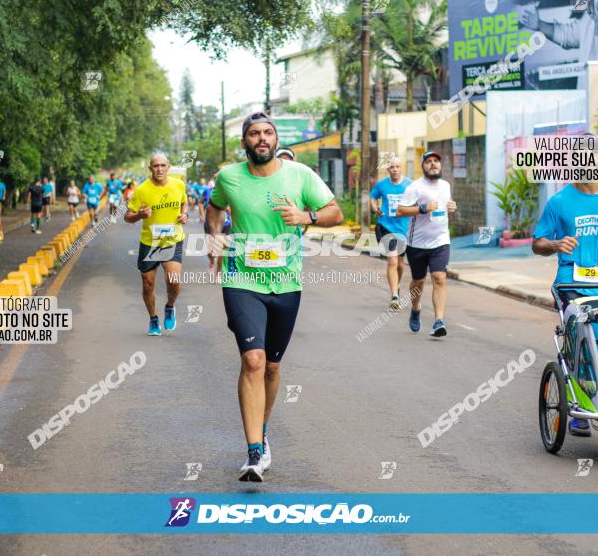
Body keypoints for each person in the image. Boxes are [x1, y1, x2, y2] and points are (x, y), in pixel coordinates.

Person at [205, 112, 343, 482]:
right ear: (244, 142)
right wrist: (214, 235)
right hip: (241, 279)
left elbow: (335, 212)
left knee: (271, 367)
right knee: (253, 359)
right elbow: (215, 206)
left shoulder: (300, 176)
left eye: (267, 133)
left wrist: (307, 216)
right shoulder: (229, 177)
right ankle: (253, 452)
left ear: (275, 139)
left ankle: (262, 432)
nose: (261, 138)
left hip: (285, 284)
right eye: (254, 133)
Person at [532, 178, 598, 435]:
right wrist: (556, 244)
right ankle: (579, 406)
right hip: (570, 283)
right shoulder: (559, 201)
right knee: (581, 338)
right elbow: (537, 243)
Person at [124, 154, 188, 336]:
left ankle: (170, 306)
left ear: (168, 167)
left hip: (172, 240)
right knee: (147, 283)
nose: (159, 169)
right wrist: (139, 216)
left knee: (174, 280)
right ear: (150, 169)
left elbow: (184, 203)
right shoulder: (142, 190)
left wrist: (185, 215)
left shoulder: (178, 184)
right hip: (149, 243)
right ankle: (153, 319)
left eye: (162, 165)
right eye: (155, 166)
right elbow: (127, 216)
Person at [397, 151, 456, 337]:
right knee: (418, 282)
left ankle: (439, 321)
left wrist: (452, 208)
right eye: (429, 162)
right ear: (423, 166)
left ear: (441, 165)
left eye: (436, 161)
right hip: (417, 244)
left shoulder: (446, 186)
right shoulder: (415, 187)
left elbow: (445, 210)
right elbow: (400, 211)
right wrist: (422, 208)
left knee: (439, 278)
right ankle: (415, 308)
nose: (433, 164)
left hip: (440, 241)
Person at [370, 156, 411, 310]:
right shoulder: (382, 185)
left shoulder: (409, 185)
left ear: (401, 168)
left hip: (403, 229)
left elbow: (417, 202)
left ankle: (397, 286)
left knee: (400, 264)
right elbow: (373, 198)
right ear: (388, 169)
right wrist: (375, 208)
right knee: (392, 261)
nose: (395, 169)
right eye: (392, 167)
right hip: (386, 226)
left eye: (397, 167)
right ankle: (394, 296)